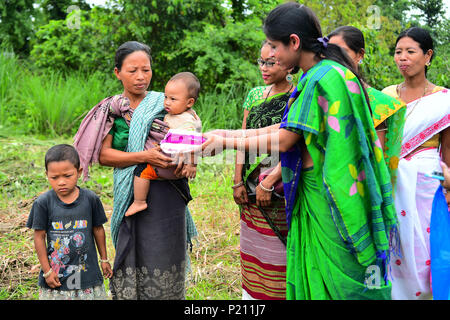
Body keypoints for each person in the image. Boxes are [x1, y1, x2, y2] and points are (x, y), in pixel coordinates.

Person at [199, 3, 397, 300]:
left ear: (294, 42)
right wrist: (225, 134)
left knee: (335, 282)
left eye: (275, 47)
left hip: (330, 197)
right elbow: (288, 127)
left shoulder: (321, 78)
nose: (272, 55)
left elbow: (284, 140)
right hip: (319, 190)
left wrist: (227, 142)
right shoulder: (321, 73)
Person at [74, 41, 196, 300]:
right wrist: (144, 156)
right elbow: (104, 156)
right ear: (117, 72)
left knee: (167, 252)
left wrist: (189, 159)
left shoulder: (166, 102)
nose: (141, 77)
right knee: (133, 249)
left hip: (167, 192)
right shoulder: (113, 110)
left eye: (146, 70)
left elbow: (189, 133)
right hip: (132, 190)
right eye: (133, 71)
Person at [381, 27, 450, 300]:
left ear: (428, 56)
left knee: (425, 250)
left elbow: (447, 152)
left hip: (427, 183)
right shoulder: (385, 95)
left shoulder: (444, 100)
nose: (403, 58)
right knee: (394, 246)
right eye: (398, 52)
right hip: (392, 181)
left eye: (410, 52)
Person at [233, 41, 293, 300]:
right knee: (252, 246)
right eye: (261, 61)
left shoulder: (298, 96)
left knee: (277, 252)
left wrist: (269, 181)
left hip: (280, 184)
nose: (264, 68)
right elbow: (244, 139)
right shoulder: (255, 95)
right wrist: (237, 181)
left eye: (271, 62)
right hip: (249, 183)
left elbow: (294, 143)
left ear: (289, 63)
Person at [27, 144, 112, 300]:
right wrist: (47, 271)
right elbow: (39, 237)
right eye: (54, 177)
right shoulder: (43, 203)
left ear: (79, 172)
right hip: (57, 276)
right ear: (47, 175)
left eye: (67, 176)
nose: (61, 182)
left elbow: (98, 230)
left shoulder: (90, 199)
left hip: (87, 275)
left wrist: (104, 259)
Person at [328, 26, 406, 188]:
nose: (335, 59)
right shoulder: (323, 96)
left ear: (360, 55)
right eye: (330, 53)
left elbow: (376, 160)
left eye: (342, 52)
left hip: (359, 188)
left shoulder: (378, 103)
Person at [125, 72, 202, 217]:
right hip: (174, 167)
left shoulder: (185, 120)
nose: (167, 102)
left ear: (189, 102)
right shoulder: (180, 114)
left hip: (169, 164)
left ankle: (139, 201)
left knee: (142, 171)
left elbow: (194, 142)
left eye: (173, 99)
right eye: (166, 97)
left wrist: (192, 164)